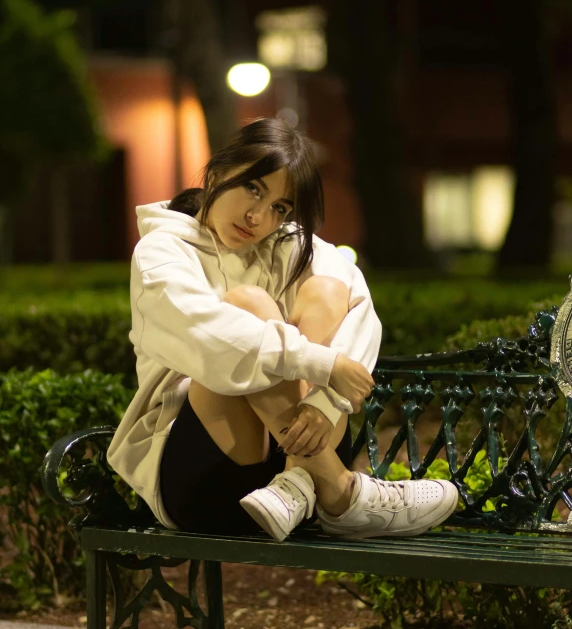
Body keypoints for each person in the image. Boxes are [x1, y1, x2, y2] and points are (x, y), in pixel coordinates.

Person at [108, 117, 458, 542]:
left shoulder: (285, 245)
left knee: (329, 287)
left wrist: (323, 405)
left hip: (286, 484)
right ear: (217, 174)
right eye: (253, 189)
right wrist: (321, 363)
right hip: (203, 482)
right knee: (247, 304)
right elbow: (213, 339)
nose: (258, 216)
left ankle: (299, 483)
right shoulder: (162, 250)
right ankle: (340, 490)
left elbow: (357, 305)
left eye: (280, 207)